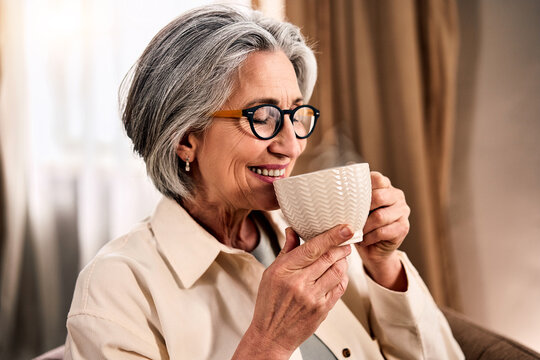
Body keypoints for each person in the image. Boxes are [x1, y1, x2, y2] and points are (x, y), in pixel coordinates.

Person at [64, 5, 464, 360]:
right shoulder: (117, 288)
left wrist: (383, 264)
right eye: (262, 116)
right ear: (186, 139)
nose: (291, 145)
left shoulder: (319, 232)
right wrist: (268, 343)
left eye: (295, 113)